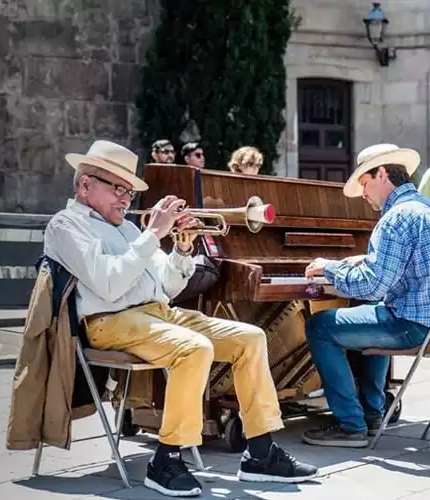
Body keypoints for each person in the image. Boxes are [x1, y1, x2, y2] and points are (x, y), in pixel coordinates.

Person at [44, 140, 317, 497]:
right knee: (194, 349)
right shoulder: (66, 226)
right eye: (118, 189)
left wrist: (183, 248)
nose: (126, 199)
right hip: (109, 320)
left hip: (158, 313)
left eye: (129, 191)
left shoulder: (127, 228)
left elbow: (168, 287)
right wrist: (153, 233)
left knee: (250, 338)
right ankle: (167, 460)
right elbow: (109, 284)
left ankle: (261, 453)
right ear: (85, 185)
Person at [301, 143, 430, 448]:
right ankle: (372, 414)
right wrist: (364, 261)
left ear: (382, 174)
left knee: (320, 326)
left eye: (364, 183)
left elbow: (372, 286)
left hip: (420, 326)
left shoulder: (396, 217)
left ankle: (350, 425)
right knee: (377, 307)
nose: (364, 194)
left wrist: (328, 267)